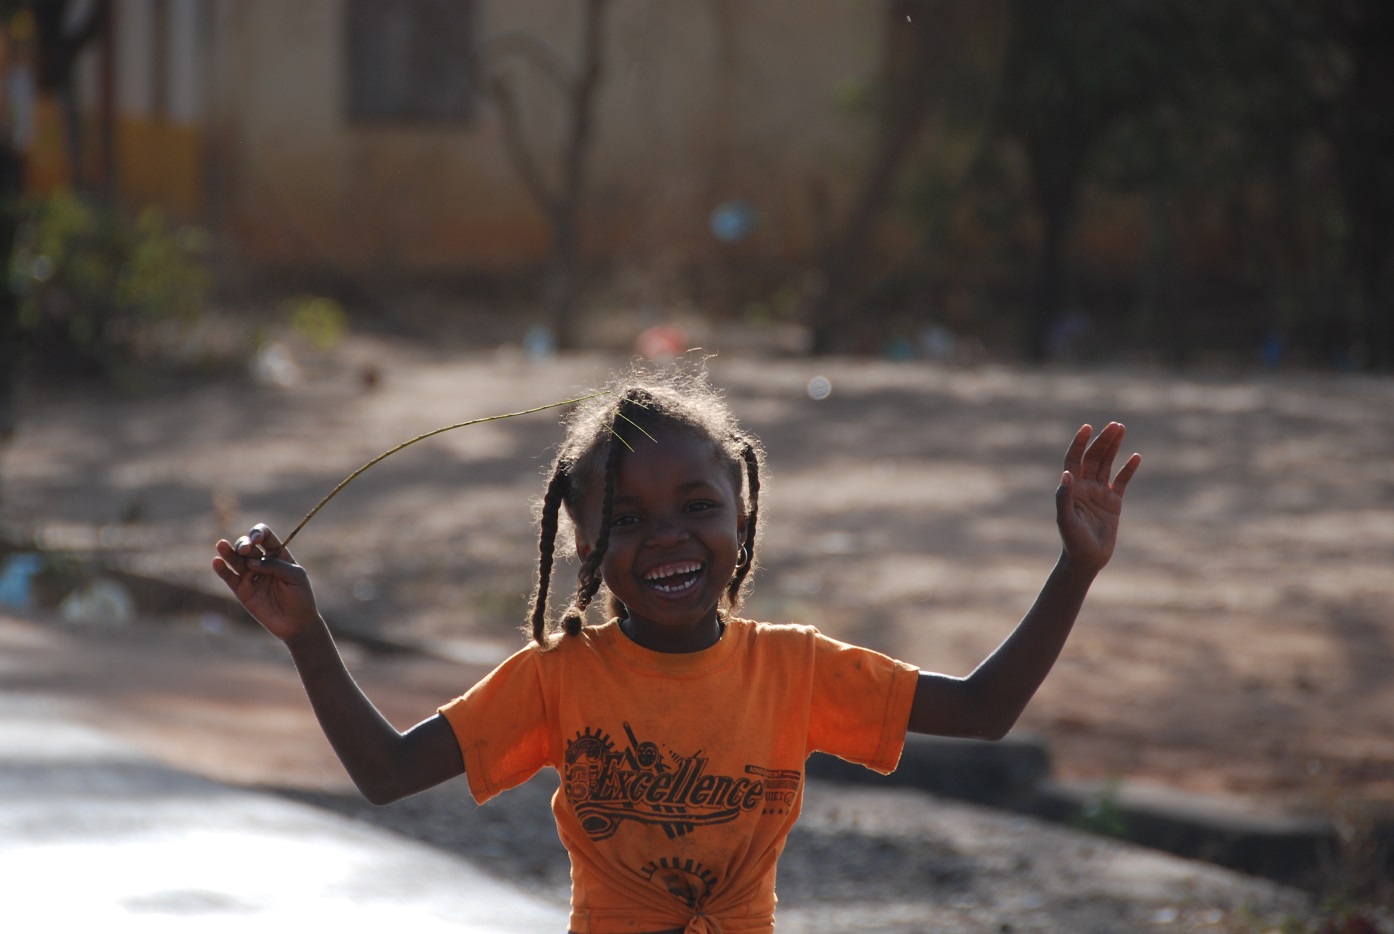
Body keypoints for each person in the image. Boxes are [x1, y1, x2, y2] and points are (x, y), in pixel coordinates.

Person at [212, 365, 1141, 934]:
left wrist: (1076, 568)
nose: (667, 539)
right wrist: (307, 635)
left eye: (697, 508)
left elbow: (984, 711)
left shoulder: (795, 669)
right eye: (628, 519)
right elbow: (384, 771)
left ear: (741, 512)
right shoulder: (556, 680)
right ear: (584, 543)